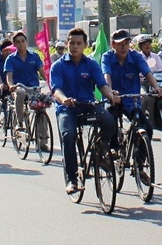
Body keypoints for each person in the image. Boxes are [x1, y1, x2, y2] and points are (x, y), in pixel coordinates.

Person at [50, 28, 121, 194]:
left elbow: (102, 85)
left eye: (79, 43)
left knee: (110, 121)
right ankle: (72, 179)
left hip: (88, 105)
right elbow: (56, 90)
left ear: (85, 45)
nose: (75, 46)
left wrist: (110, 95)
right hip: (67, 109)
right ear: (67, 44)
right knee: (68, 135)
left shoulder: (91, 64)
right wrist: (64, 99)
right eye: (72, 43)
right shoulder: (57, 66)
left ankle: (100, 151)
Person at [4, 31, 46, 130]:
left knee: (41, 110)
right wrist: (11, 85)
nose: (21, 43)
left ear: (26, 42)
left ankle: (43, 140)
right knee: (20, 92)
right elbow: (9, 75)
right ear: (14, 44)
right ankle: (20, 122)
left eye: (23, 41)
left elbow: (42, 72)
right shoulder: (10, 59)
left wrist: (50, 82)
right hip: (19, 87)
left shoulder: (34, 56)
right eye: (18, 42)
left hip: (34, 89)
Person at [0, 39, 15, 125]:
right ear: (1, 50)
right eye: (6, 50)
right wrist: (1, 83)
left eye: (10, 49)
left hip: (11, 83)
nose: (8, 52)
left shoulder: (13, 58)